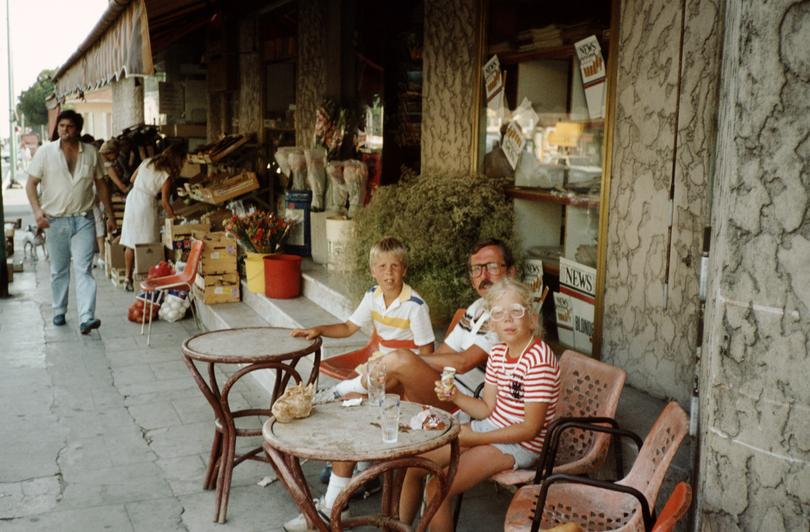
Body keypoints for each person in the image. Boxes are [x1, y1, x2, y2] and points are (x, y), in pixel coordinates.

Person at [283, 236, 435, 531]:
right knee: (349, 421)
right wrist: (319, 329)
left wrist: (400, 379)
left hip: (405, 378)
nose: (388, 273)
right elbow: (348, 327)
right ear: (372, 271)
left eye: (394, 267)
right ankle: (336, 502)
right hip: (377, 371)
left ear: (404, 269)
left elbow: (427, 356)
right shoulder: (373, 295)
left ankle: (340, 393)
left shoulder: (415, 306)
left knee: (353, 397)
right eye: (382, 267)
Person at [399, 278, 561, 532]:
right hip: (490, 428)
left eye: (516, 312)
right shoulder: (498, 352)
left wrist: (473, 437)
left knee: (437, 488)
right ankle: (400, 528)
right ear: (491, 323)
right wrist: (454, 397)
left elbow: (530, 429)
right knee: (415, 463)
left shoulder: (539, 360)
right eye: (498, 313)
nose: (507, 319)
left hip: (520, 445)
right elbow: (487, 408)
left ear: (531, 319)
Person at [26, 109, 116, 334]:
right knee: (58, 269)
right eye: (62, 126)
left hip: (83, 218)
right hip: (55, 221)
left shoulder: (91, 153)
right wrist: (38, 212)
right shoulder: (45, 153)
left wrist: (110, 214)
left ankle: (86, 317)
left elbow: (101, 184)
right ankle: (59, 310)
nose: (65, 131)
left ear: (78, 130)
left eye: (70, 127)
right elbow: (30, 184)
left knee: (84, 268)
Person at [119, 143, 184, 291]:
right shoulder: (166, 176)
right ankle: (145, 277)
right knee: (147, 241)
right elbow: (166, 202)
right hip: (146, 203)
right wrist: (173, 219)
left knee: (130, 240)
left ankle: (128, 279)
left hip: (133, 198)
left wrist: (144, 185)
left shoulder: (147, 161)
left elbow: (132, 179)